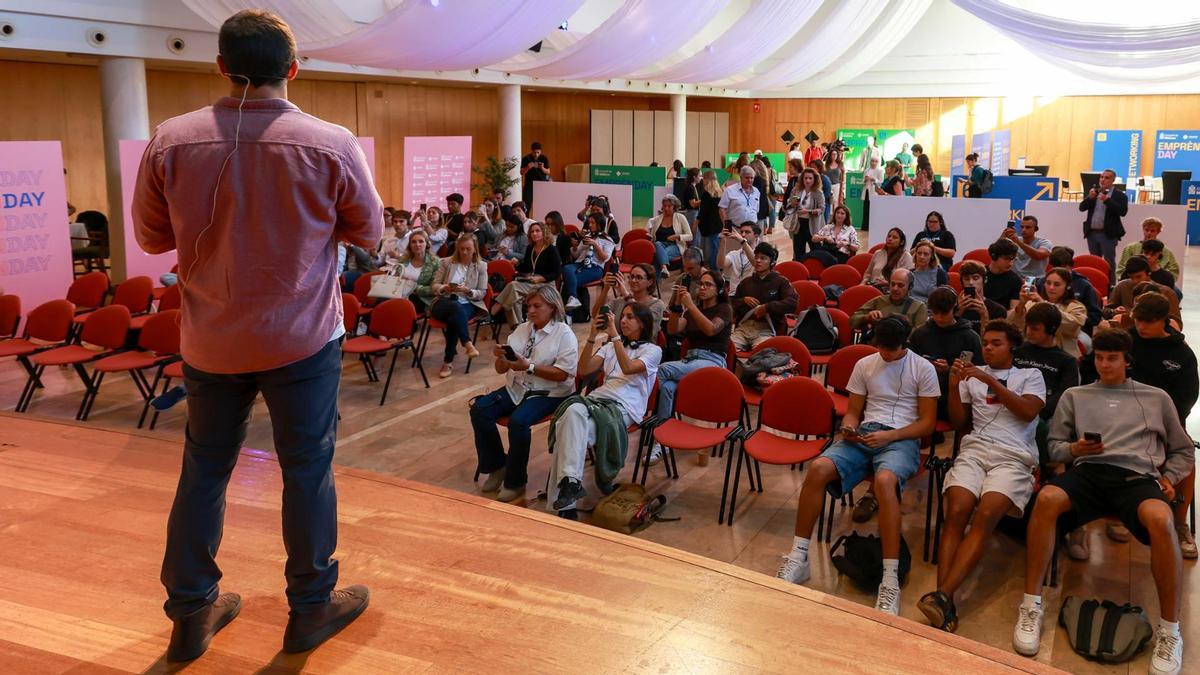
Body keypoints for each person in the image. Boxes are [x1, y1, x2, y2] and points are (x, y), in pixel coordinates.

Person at [132, 10, 379, 659]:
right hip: (301, 337)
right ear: (293, 69)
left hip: (210, 338)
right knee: (307, 470)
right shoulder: (331, 142)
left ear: (219, 65)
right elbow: (370, 233)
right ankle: (309, 607)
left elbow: (153, 237)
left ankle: (190, 612)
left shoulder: (169, 140)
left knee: (204, 469)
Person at [1013, 328, 1192, 675]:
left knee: (1160, 519)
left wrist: (1169, 477)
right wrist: (1075, 450)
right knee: (1047, 497)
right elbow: (1054, 448)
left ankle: (1171, 630)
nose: (1105, 364)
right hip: (1089, 473)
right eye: (1099, 357)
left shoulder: (1155, 398)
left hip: (1136, 477)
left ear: (1127, 362)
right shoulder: (1076, 395)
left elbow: (1184, 449)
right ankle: (1031, 605)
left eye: (1112, 358)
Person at [777, 315, 939, 616]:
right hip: (865, 433)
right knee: (818, 469)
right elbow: (853, 412)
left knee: (885, 481)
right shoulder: (865, 364)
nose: (886, 355)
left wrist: (890, 435)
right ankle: (799, 556)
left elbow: (927, 423)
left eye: (891, 351)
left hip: (902, 436)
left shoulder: (923, 368)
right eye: (881, 349)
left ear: (904, 344)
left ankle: (889, 580)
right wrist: (850, 428)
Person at [919, 320, 1045, 633]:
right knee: (957, 510)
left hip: (1013, 456)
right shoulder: (970, 378)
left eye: (996, 343)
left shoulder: (1030, 375)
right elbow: (961, 423)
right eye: (985, 342)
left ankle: (942, 596)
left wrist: (992, 381)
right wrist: (953, 386)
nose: (987, 347)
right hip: (975, 450)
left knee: (986, 515)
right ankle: (942, 600)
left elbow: (1028, 412)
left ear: (1011, 346)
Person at [548, 304, 662, 519]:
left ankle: (565, 507)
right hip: (599, 399)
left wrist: (615, 337)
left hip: (625, 407)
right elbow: (583, 370)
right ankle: (571, 483)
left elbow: (628, 367)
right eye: (622, 317)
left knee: (568, 432)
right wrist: (592, 336)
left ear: (643, 323)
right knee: (571, 414)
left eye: (630, 317)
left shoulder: (653, 351)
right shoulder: (609, 347)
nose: (623, 321)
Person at [472, 285, 578, 504]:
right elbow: (501, 370)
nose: (530, 310)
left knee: (518, 422)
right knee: (480, 409)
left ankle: (515, 481)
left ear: (552, 306)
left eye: (537, 306)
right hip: (519, 387)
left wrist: (528, 366)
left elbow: (563, 375)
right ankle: (497, 466)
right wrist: (501, 357)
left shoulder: (564, 334)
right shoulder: (522, 329)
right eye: (528, 306)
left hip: (550, 392)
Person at [1129, 293, 1199, 559]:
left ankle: (1181, 524)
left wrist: (1162, 422)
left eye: (1148, 322)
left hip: (1164, 422)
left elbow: (1187, 397)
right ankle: (1116, 513)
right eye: (1138, 321)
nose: (1141, 327)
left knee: (1187, 460)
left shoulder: (1182, 354)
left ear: (1165, 321)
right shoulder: (1127, 342)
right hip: (1122, 418)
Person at [648, 269, 733, 465]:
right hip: (690, 361)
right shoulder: (691, 309)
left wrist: (691, 307)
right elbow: (673, 330)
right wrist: (678, 305)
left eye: (708, 285)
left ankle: (641, 410)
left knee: (662, 370)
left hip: (713, 362)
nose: (702, 288)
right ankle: (661, 441)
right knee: (667, 388)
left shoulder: (724, 309)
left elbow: (711, 330)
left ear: (719, 290)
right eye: (701, 284)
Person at [1012, 302, 1080, 463]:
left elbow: (1064, 395)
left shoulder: (1066, 361)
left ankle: (1044, 468)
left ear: (1051, 329)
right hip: (1015, 406)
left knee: (1046, 428)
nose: (1029, 332)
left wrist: (1036, 411)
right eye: (1027, 327)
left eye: (1035, 329)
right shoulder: (1018, 351)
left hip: (1047, 413)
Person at [909, 287, 984, 419]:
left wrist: (949, 370)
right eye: (935, 313)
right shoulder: (920, 334)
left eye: (944, 313)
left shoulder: (969, 337)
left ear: (954, 310)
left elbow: (977, 373)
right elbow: (909, 365)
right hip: (923, 390)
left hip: (956, 393)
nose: (939, 318)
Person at [430, 233, 486, 379]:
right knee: (454, 308)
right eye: (461, 249)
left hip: (467, 303)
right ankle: (467, 343)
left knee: (454, 318)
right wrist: (444, 288)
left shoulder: (481, 266)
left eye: (468, 249)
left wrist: (468, 291)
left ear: (475, 249)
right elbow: (435, 285)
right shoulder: (446, 262)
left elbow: (482, 293)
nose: (464, 252)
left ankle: (448, 362)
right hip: (444, 302)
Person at [730, 243, 797, 351]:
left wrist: (767, 307)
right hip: (743, 328)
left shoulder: (781, 281)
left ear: (772, 262)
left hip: (767, 329)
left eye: (763, 258)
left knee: (762, 355)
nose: (758, 261)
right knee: (727, 350)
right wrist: (743, 301)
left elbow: (792, 303)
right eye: (756, 257)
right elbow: (730, 303)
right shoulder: (745, 282)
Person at [1009, 267, 1087, 359]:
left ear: (1067, 287)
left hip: (1063, 356)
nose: (1051, 288)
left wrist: (1043, 303)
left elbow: (1071, 326)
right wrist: (1022, 303)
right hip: (1031, 354)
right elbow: (1013, 326)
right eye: (1048, 283)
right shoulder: (1031, 304)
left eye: (1057, 284)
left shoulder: (1076, 307)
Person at [493, 221, 561, 324]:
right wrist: (517, 264)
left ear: (544, 232)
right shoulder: (530, 248)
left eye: (537, 231)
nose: (534, 233)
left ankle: (499, 304)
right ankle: (517, 327)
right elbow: (526, 267)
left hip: (546, 284)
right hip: (531, 282)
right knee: (514, 298)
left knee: (513, 285)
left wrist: (541, 278)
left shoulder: (551, 249)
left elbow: (557, 272)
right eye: (532, 231)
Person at [591, 262, 666, 339]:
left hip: (641, 348)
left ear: (650, 282)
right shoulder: (619, 301)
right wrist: (605, 289)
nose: (633, 280)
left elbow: (643, 325)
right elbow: (595, 315)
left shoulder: (657, 304)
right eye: (631, 276)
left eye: (639, 277)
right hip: (613, 347)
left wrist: (626, 295)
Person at [1078, 168, 1127, 285]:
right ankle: (1095, 284)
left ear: (1113, 180)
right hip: (1092, 233)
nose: (1103, 180)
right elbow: (1081, 208)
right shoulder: (1094, 192)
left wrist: (1107, 201)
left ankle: (1110, 287)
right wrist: (1090, 198)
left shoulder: (1119, 195)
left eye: (1107, 178)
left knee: (1109, 262)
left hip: (1108, 234)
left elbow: (1122, 212)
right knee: (1094, 262)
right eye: (1101, 177)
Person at [1105, 256, 1182, 329]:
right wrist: (1114, 311)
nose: (1135, 281)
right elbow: (1105, 312)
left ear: (1149, 274)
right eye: (1131, 277)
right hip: (1125, 333)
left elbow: (1177, 324)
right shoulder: (1122, 286)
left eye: (1139, 276)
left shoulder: (1166, 292)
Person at [561, 212, 616, 312]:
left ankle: (568, 314)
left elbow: (605, 258)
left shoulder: (607, 239)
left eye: (593, 223)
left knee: (569, 281)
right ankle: (572, 300)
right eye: (589, 222)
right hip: (579, 263)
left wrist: (595, 245)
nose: (590, 225)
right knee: (566, 268)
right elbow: (576, 255)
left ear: (600, 224)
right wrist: (574, 247)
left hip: (595, 267)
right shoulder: (587, 236)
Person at [1042, 246, 1102, 334]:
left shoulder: (1083, 284)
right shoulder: (1042, 282)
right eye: (1055, 268)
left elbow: (1095, 316)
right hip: (1044, 328)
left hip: (1077, 330)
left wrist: (1075, 319)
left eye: (1057, 284)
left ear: (1069, 266)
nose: (1051, 287)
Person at [851, 268, 928, 332]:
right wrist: (867, 317)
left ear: (910, 287)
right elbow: (853, 320)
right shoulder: (879, 300)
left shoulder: (919, 307)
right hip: (877, 345)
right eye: (893, 284)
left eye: (900, 285)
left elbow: (919, 336)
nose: (895, 288)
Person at [392, 229, 439, 313]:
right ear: (410, 245)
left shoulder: (435, 263)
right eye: (413, 242)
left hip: (420, 298)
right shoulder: (403, 260)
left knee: (399, 306)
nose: (417, 244)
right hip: (398, 294)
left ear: (427, 244)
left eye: (421, 241)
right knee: (380, 300)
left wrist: (411, 286)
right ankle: (365, 324)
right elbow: (395, 280)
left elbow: (433, 289)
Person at [649, 194, 693, 279]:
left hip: (676, 245)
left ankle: (654, 286)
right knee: (658, 244)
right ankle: (664, 268)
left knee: (658, 257)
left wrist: (678, 236)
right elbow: (653, 237)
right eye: (664, 206)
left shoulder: (680, 217)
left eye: (669, 206)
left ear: (674, 206)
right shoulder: (657, 219)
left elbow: (690, 236)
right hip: (659, 245)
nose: (666, 208)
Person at [958, 261, 1008, 335]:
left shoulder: (998, 310)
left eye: (975, 278)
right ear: (962, 282)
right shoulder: (953, 307)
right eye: (966, 279)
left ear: (984, 280)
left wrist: (984, 316)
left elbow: (994, 339)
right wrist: (958, 313)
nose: (971, 282)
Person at [787, 167, 825, 259]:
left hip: (812, 224)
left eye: (810, 178)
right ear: (802, 179)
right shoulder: (797, 190)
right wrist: (792, 204)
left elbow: (821, 209)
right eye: (805, 178)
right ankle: (799, 269)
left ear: (814, 179)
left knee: (816, 251)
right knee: (798, 251)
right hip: (798, 224)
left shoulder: (818, 193)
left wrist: (808, 211)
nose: (807, 180)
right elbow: (788, 205)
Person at [1006, 215, 1051, 280]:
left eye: (1028, 227)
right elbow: (995, 252)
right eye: (1022, 227)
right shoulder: (1014, 240)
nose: (1024, 230)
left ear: (1036, 229)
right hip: (1015, 278)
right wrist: (1003, 236)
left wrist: (1018, 242)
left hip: (1035, 279)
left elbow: (1039, 256)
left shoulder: (1044, 242)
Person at [983, 238, 1023, 310]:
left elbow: (1013, 311)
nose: (1011, 264)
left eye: (1012, 259)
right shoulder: (979, 275)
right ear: (994, 256)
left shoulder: (1015, 280)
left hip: (1003, 318)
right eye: (1006, 259)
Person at [718, 166, 761, 232]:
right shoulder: (729, 190)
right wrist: (726, 225)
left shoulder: (756, 191)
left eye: (752, 178)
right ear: (741, 177)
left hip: (752, 230)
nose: (749, 180)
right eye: (747, 177)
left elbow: (756, 210)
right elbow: (722, 208)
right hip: (735, 229)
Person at [696, 170, 724, 267]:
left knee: (712, 249)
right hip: (718, 224)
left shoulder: (706, 194)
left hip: (709, 225)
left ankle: (713, 268)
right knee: (716, 248)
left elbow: (703, 212)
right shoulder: (720, 193)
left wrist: (696, 222)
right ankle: (717, 266)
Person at [721, 221, 759, 292]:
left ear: (756, 236)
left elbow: (755, 262)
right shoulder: (734, 253)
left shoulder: (761, 254)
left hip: (751, 295)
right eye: (741, 232)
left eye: (747, 232)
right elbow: (721, 264)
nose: (743, 234)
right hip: (733, 295)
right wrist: (723, 242)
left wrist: (742, 241)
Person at [520, 142, 550, 212]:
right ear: (531, 151)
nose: (536, 154)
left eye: (538, 152)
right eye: (534, 152)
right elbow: (521, 173)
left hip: (541, 184)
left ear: (540, 151)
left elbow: (548, 171)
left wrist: (542, 168)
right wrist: (528, 167)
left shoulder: (544, 158)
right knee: (527, 204)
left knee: (542, 204)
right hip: (529, 184)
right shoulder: (526, 158)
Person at [861, 156, 883, 231]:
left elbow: (881, 181)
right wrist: (865, 180)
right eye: (872, 161)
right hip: (867, 191)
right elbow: (862, 181)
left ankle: (873, 227)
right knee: (866, 209)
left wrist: (873, 179)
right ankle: (865, 227)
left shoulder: (880, 170)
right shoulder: (866, 170)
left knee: (873, 210)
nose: (873, 163)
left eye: (875, 161)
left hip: (874, 192)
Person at [750, 159, 772, 233]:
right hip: (760, 210)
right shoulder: (762, 180)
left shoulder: (758, 180)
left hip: (759, 210)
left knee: (757, 234)